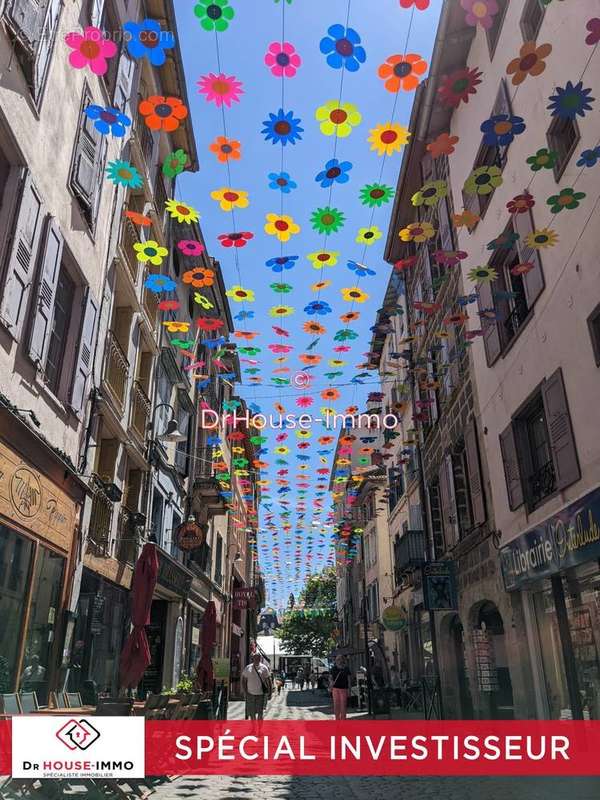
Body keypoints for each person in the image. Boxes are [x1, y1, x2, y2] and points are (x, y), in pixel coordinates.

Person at [241, 654, 272, 720]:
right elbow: (243, 680)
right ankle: (254, 727)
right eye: (255, 658)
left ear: (260, 659)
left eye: (258, 658)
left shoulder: (264, 668)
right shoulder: (248, 668)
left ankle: (259, 729)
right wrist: (245, 691)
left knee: (260, 713)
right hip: (250, 694)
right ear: (253, 659)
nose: (256, 659)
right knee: (252, 713)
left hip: (261, 694)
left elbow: (268, 681)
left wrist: (270, 692)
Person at [329, 655, 351, 720]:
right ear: (335, 661)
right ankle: (337, 719)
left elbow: (349, 679)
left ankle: (343, 719)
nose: (338, 661)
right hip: (335, 688)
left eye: (340, 659)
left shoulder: (346, 668)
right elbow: (330, 677)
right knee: (336, 705)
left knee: (343, 705)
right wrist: (331, 682)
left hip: (344, 688)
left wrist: (349, 689)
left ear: (343, 660)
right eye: (337, 659)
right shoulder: (333, 668)